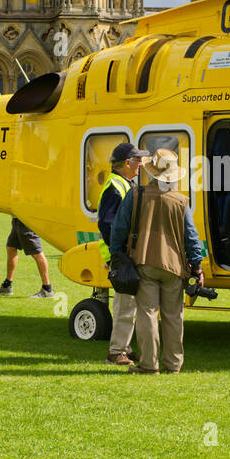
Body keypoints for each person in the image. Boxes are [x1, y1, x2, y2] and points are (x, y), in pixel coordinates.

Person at [108, 148, 203, 375]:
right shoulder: (181, 201)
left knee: (147, 314)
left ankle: (149, 365)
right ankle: (173, 365)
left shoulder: (136, 195)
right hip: (175, 266)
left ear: (151, 173)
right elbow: (191, 238)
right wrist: (197, 267)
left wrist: (117, 256)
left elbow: (118, 230)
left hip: (144, 263)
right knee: (173, 316)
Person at [98, 142, 147, 366]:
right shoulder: (115, 187)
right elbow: (107, 224)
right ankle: (116, 352)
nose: (141, 164)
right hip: (121, 255)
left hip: (123, 253)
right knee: (124, 304)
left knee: (129, 303)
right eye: (138, 160)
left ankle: (124, 348)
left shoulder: (123, 183)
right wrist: (118, 254)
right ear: (127, 163)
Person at [0, 216, 54, 298]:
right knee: (11, 247)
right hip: (17, 217)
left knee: (37, 253)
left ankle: (47, 289)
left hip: (26, 218)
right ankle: (7, 286)